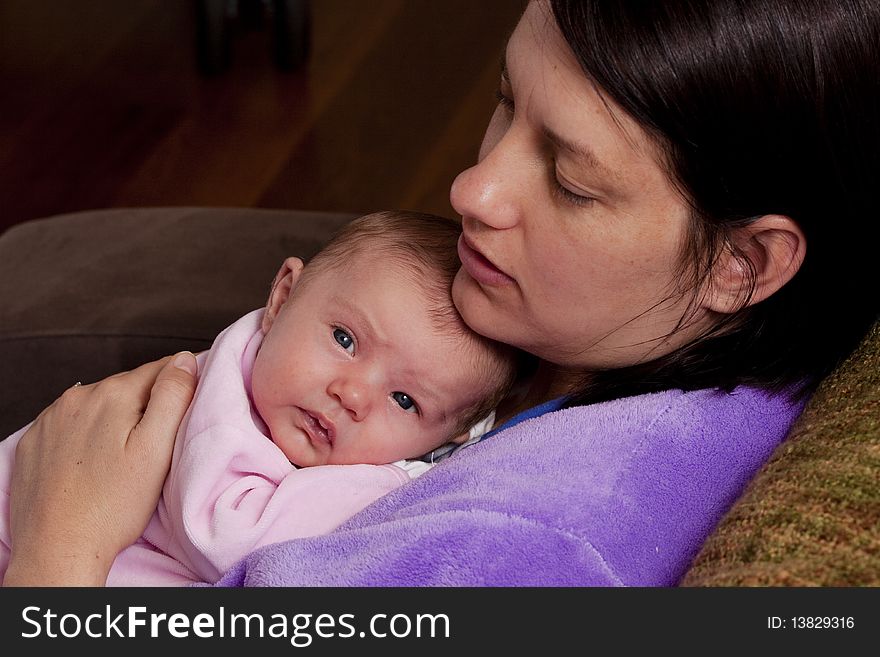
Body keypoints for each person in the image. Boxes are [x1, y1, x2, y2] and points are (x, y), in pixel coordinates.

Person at [4, 0, 878, 586]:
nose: (472, 189)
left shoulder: (515, 548)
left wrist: (58, 543)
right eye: (506, 101)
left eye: (570, 182)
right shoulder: (632, 344)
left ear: (742, 264)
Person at [0, 211, 516, 585]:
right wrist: (382, 488)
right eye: (344, 339)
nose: (353, 394)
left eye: (405, 400)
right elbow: (226, 541)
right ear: (282, 297)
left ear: (452, 438)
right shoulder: (224, 406)